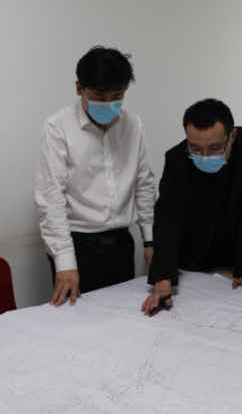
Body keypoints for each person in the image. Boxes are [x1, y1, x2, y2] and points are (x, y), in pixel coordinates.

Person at [35, 46, 155, 307]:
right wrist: (64, 262)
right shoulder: (58, 127)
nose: (109, 104)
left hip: (122, 245)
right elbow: (50, 198)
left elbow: (144, 184)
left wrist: (151, 241)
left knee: (124, 317)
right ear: (79, 88)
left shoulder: (133, 125)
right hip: (79, 248)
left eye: (118, 96)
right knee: (77, 322)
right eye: (100, 96)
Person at [142, 99, 242, 316]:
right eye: (195, 148)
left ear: (232, 136)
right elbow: (168, 218)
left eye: (214, 148)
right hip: (192, 258)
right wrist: (163, 281)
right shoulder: (176, 160)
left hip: (233, 259)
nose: (204, 156)